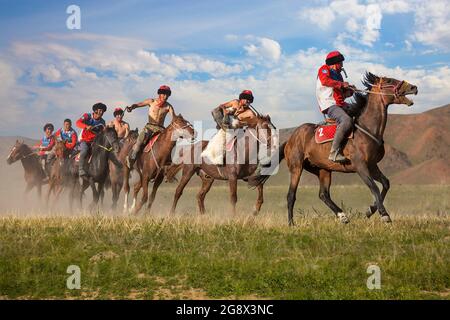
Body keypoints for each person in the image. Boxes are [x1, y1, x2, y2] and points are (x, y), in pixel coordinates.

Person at [316, 51, 356, 162]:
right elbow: (325, 81)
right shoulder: (324, 69)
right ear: (334, 63)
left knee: (360, 111)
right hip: (329, 104)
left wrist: (350, 91)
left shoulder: (339, 76)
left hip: (340, 104)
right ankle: (333, 153)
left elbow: (341, 94)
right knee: (346, 120)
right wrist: (342, 84)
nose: (342, 66)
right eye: (340, 63)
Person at [125, 85, 175, 168]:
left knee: (169, 145)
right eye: (164, 94)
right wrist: (132, 107)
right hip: (150, 127)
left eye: (167, 95)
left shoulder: (168, 106)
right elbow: (139, 104)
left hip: (161, 130)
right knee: (140, 141)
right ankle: (131, 159)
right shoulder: (151, 101)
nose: (165, 96)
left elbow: (174, 117)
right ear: (159, 94)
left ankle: (167, 165)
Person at [76, 102, 107, 177]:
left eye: (102, 111)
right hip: (84, 140)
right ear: (95, 110)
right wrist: (86, 126)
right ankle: (80, 169)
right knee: (85, 150)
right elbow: (77, 123)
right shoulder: (87, 116)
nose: (101, 112)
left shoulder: (102, 122)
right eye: (100, 110)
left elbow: (103, 133)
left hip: (95, 142)